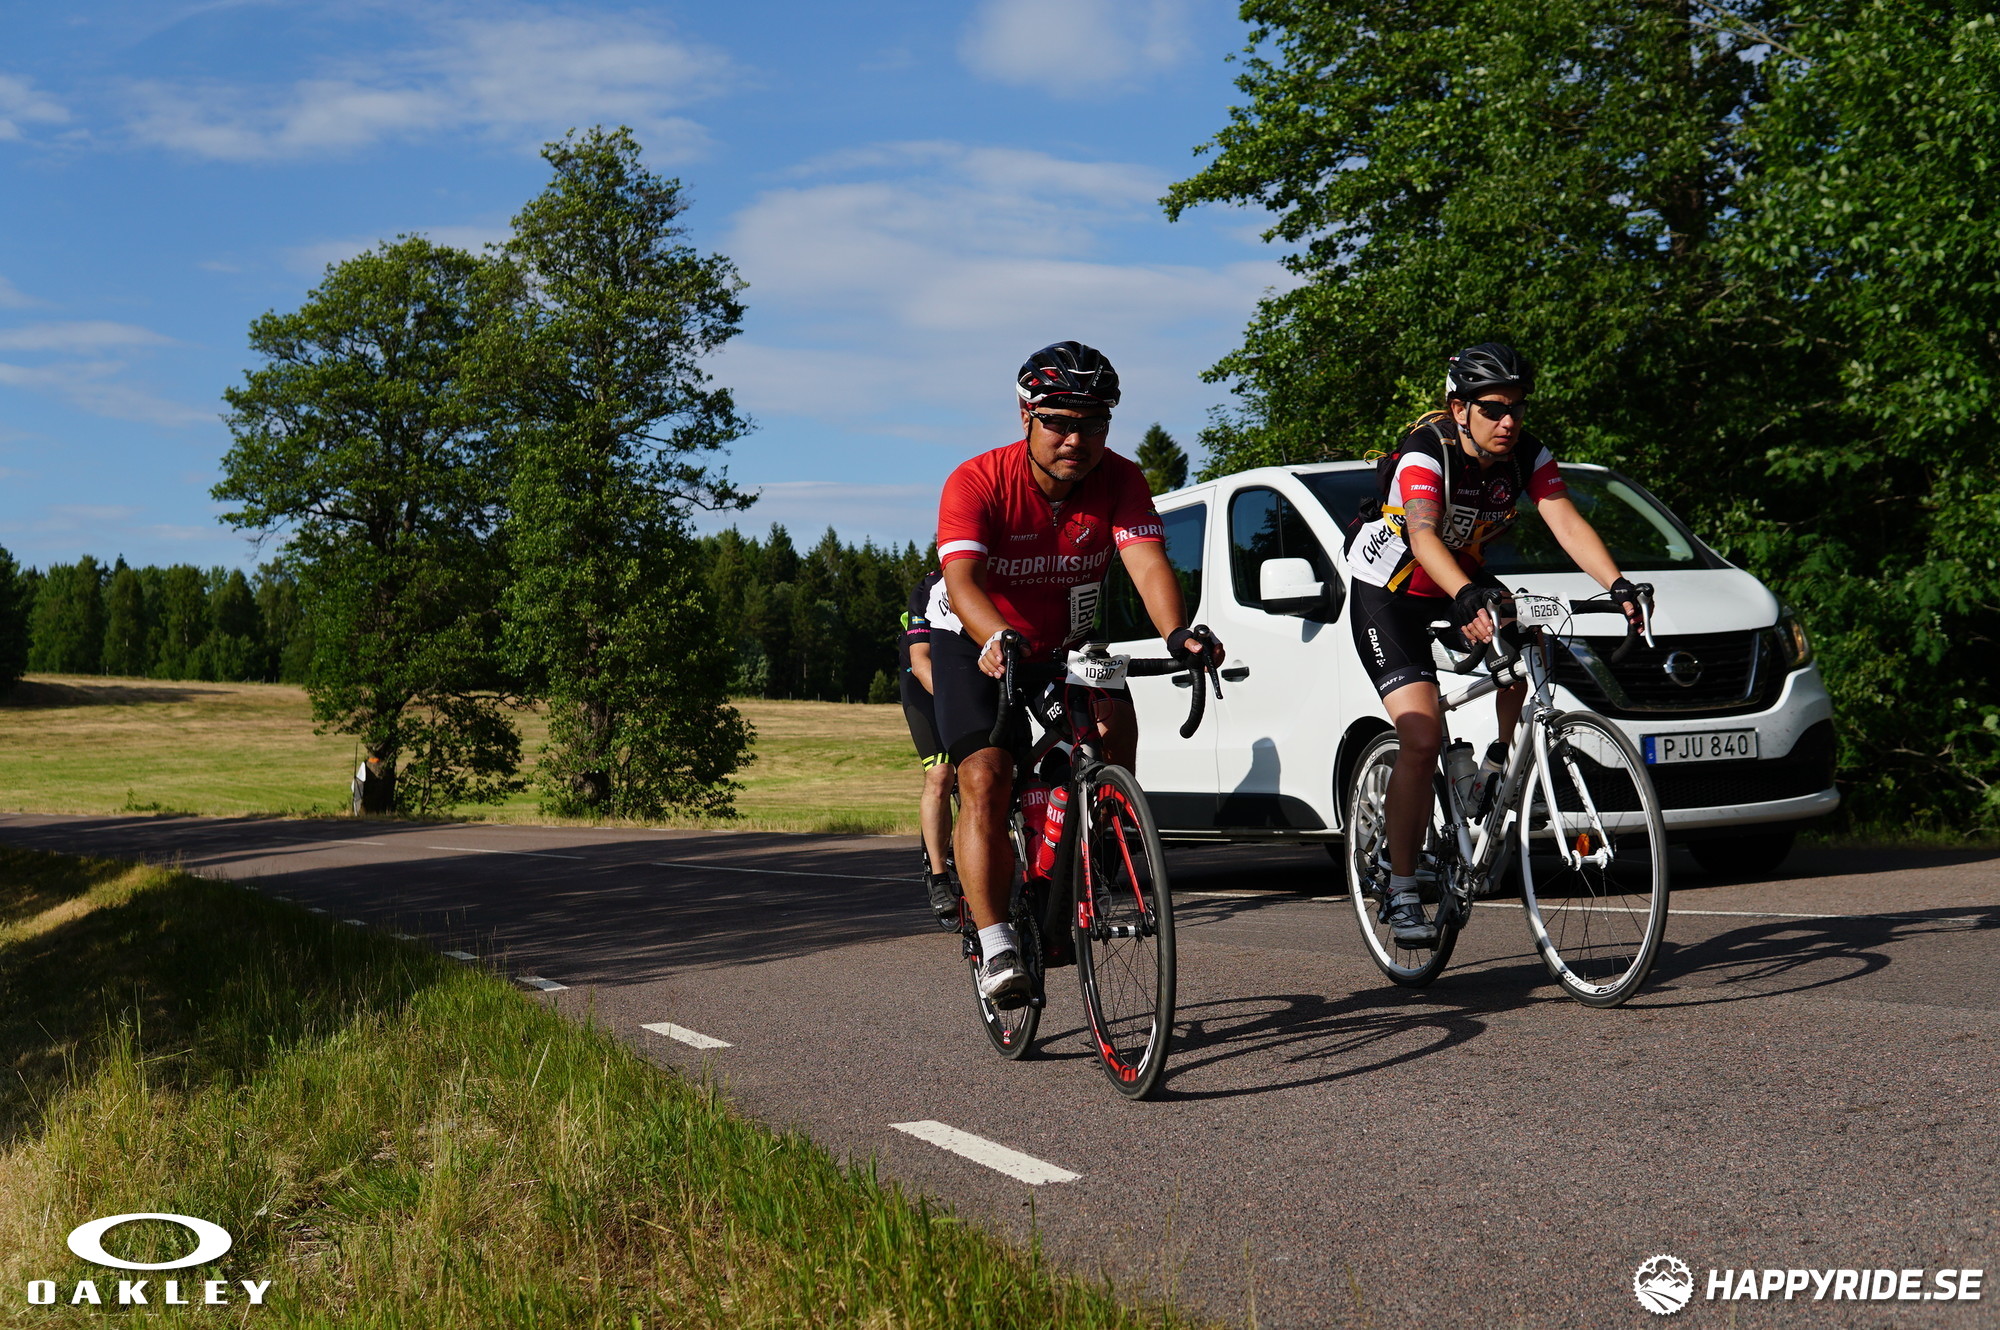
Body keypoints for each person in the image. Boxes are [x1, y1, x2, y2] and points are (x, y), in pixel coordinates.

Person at [933, 340, 1222, 1006]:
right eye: (1059, 422)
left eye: (1093, 424)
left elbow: (1146, 562)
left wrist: (1177, 632)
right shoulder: (976, 481)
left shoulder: (1120, 479)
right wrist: (994, 635)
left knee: (1115, 724)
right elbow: (962, 579)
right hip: (977, 639)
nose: (1076, 439)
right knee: (985, 776)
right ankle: (998, 944)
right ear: (1025, 416)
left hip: (1066, 641)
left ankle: (1097, 846)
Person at [1346, 343, 1648, 946]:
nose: (1508, 421)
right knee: (1421, 738)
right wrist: (1464, 597)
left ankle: (1496, 766)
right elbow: (1424, 536)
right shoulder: (1426, 452)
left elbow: (1564, 521)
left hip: (1458, 576)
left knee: (1530, 640)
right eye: (1492, 408)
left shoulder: (1527, 455)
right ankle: (1400, 886)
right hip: (1392, 591)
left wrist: (1617, 584)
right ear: (1459, 409)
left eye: (1517, 407)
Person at [898, 567, 961, 927]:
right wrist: (959, 705)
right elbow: (921, 662)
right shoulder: (928, 588)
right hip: (923, 679)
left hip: (968, 675)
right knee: (941, 773)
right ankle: (939, 878)